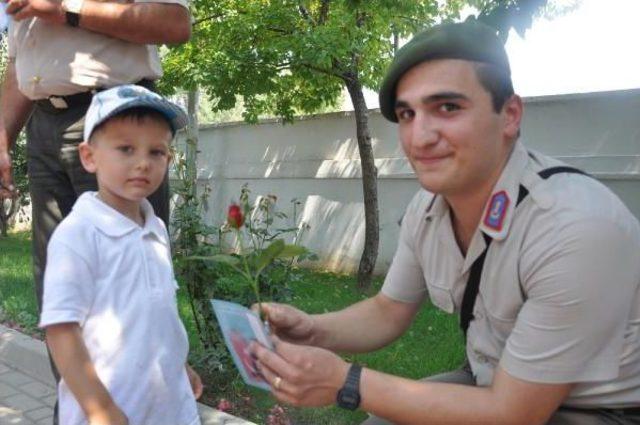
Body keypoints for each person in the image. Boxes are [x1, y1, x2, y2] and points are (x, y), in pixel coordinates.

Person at [250, 21, 640, 424]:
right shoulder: (429, 209)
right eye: (407, 113)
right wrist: (311, 328)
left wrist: (346, 382)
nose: (419, 138)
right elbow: (388, 310)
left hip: (601, 412)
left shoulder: (574, 226)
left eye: (447, 107)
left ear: (509, 115)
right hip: (495, 387)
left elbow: (515, 415)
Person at [0, 0, 190, 320]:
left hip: (115, 121)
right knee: (59, 298)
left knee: (130, 291)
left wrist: (65, 9)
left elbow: (175, 22)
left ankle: (154, 369)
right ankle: (71, 373)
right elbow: (21, 65)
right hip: (43, 126)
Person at [38, 85, 202, 425]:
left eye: (157, 152)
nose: (143, 163)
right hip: (111, 409)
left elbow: (157, 310)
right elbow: (61, 331)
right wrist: (100, 409)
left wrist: (178, 365)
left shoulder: (155, 227)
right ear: (88, 157)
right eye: (126, 148)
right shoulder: (78, 235)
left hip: (166, 407)